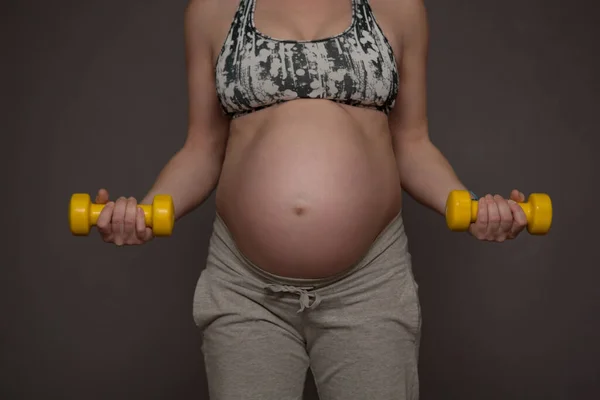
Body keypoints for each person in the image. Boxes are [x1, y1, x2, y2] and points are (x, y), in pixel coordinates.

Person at [94, 0, 529, 398]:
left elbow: (413, 144)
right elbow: (202, 149)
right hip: (246, 287)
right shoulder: (212, 10)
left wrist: (472, 206)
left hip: (368, 285)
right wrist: (145, 211)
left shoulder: (399, 8)